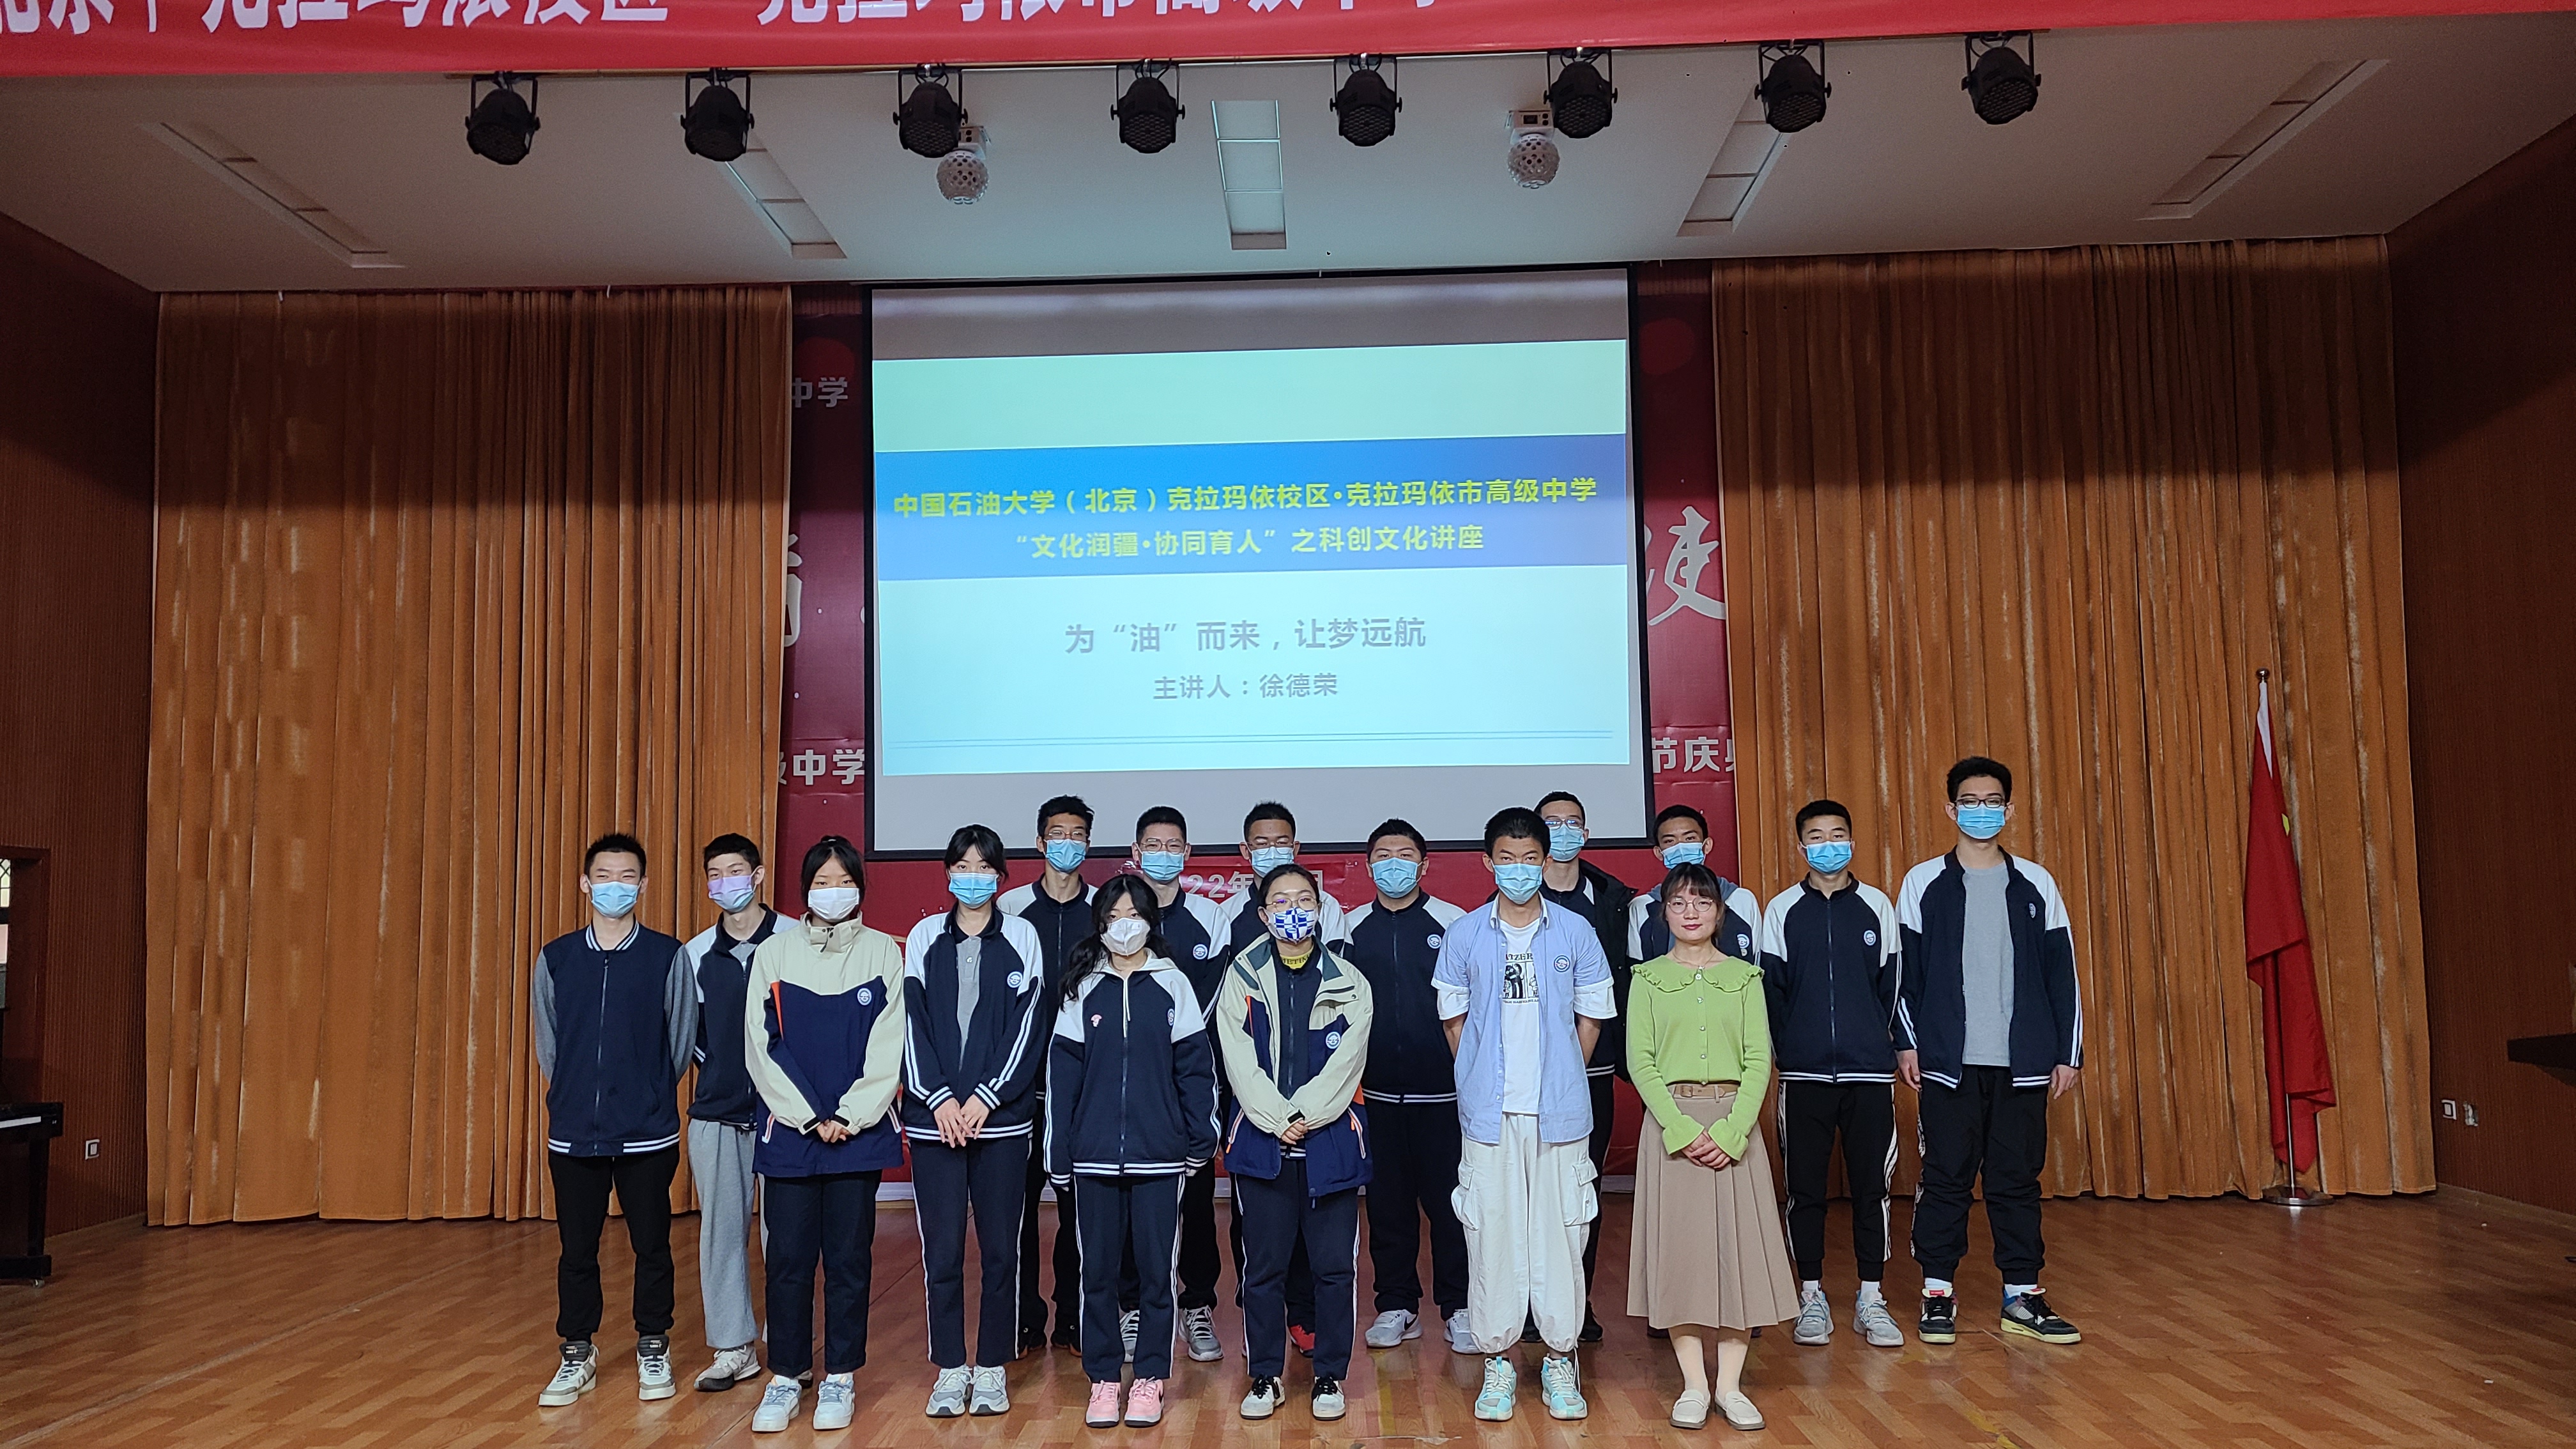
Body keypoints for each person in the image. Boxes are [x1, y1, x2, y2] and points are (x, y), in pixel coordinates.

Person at [1897, 756, 2084, 1347]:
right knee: (1946, 1178)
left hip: (2022, 1064)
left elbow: (2063, 974)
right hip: (1947, 1064)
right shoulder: (1923, 882)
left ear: (2009, 809)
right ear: (1951, 809)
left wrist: (2068, 1053)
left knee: (2016, 1180)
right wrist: (1907, 1042)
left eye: (1993, 801)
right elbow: (1905, 976)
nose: (1983, 811)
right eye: (1971, 802)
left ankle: (2022, 1295)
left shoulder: (2037, 883)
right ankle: (1937, 1293)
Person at [1434, 806, 1612, 1423]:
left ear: (1546, 860)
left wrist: (1560, 1076)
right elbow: (1455, 1023)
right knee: (1491, 1236)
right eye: (1507, 859)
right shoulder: (1464, 935)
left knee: (1563, 1234)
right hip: (1490, 1118)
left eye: (1530, 859)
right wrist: (1480, 1081)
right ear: (1489, 863)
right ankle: (1499, 1362)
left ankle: (1562, 1358)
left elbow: (1591, 1018)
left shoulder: (1575, 931)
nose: (1519, 870)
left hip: (1560, 1115)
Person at [742, 837, 908, 1434]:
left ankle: (840, 1374)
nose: (833, 892)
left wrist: (851, 1115)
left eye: (844, 882)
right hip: (791, 1136)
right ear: (804, 889)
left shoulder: (883, 952)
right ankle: (787, 1375)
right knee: (786, 1259)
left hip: (856, 1138)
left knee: (848, 1260)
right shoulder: (774, 953)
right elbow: (761, 1045)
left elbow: (889, 1044)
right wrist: (809, 1116)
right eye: (822, 882)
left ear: (860, 888)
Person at [1627, 862, 1800, 1432]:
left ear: (1720, 913)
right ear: (1664, 913)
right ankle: (1694, 1386)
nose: (1691, 913)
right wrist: (1680, 1131)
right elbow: (1640, 1062)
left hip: (1734, 1129)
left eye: (1702, 903)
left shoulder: (1745, 978)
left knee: (1737, 1258)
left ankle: (1730, 1386)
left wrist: (1732, 1133)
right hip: (1671, 1128)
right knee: (1682, 1258)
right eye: (1679, 903)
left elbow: (1759, 1060)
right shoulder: (1647, 978)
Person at [533, 832, 698, 1409]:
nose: (615, 887)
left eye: (627, 877)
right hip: (574, 1132)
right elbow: (550, 1045)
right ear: (585, 883)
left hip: (647, 1131)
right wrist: (576, 1093)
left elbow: (680, 1043)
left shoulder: (667, 956)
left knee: (652, 1244)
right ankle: (577, 1350)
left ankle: (654, 1343)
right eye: (604, 876)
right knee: (576, 1249)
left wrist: (647, 1091)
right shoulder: (556, 958)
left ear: (643, 885)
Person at [1048, 877, 1219, 1429]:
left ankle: (1149, 1377)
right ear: (1100, 924)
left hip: (1160, 1157)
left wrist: (1199, 1140)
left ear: (1150, 921)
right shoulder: (1083, 987)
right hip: (1092, 1157)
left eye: (1134, 915)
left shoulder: (1173, 984)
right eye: (1114, 916)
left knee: (1156, 1275)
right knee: (1096, 1274)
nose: (1125, 925)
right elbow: (1062, 1079)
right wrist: (1059, 1152)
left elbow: (1196, 1070)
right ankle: (1102, 1379)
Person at [1213, 863, 1376, 1422]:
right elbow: (1237, 1058)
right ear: (1263, 914)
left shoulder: (1350, 981)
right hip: (1263, 1146)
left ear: (1320, 908)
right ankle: (1265, 1376)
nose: (1293, 910)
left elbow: (1348, 1063)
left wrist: (1303, 1114)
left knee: (1334, 1270)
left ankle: (1330, 1375)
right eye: (1280, 901)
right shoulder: (1242, 975)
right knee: (1263, 1271)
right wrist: (1276, 1117)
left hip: (1331, 1144)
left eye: (1304, 899)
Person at [903, 825, 1048, 1418]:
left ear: (1000, 876)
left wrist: (988, 1096)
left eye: (984, 867)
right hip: (934, 1122)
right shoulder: (923, 937)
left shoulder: (1022, 936)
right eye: (962, 866)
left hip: (1002, 1124)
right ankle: (949, 1368)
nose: (972, 877)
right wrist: (938, 1098)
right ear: (947, 874)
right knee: (941, 1253)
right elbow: (910, 1023)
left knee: (1001, 1252)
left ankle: (990, 1366)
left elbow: (1029, 1025)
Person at [1758, 799, 1906, 1349]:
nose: (1828, 845)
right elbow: (1772, 993)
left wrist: (1881, 1044)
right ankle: (1811, 1296)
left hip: (1870, 1075)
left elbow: (1892, 987)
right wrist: (1791, 1050)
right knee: (1805, 1190)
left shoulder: (1876, 906)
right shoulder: (1781, 910)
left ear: (1852, 841)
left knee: (1873, 1189)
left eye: (1837, 834)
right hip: (1804, 1076)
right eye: (1816, 837)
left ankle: (1871, 1297)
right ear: (1801, 846)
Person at [1338, 818, 1473, 1355]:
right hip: (1375, 1098)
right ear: (1369, 865)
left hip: (1445, 1096)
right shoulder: (1350, 929)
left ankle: (1460, 1305)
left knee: (1452, 1206)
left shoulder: (1455, 924)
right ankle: (1397, 1305)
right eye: (1383, 855)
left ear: (1424, 864)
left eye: (1405, 854)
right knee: (1387, 1208)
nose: (1394, 864)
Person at [1206, 800, 1330, 1350]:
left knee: (1309, 1213)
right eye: (1261, 843)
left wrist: (1307, 1104)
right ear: (1245, 851)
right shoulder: (1226, 920)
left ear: (1296, 847)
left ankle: (1303, 1315)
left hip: (1314, 1099)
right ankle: (1258, 1320)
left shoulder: (1329, 916)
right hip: (1250, 1095)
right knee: (1254, 1218)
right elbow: (1222, 1016)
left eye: (1281, 842)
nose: (1271, 851)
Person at [1132, 805, 1233, 1365]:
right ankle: (1134, 1307)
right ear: (1136, 851)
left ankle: (1196, 1305)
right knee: (1131, 1199)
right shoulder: (1120, 911)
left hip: (1192, 1082)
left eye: (1174, 845)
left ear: (1188, 853)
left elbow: (1209, 1000)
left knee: (1196, 1200)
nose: (1164, 854)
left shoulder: (1210, 918)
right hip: (1132, 1084)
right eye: (1154, 845)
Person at [1533, 790, 1634, 1344]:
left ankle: (1577, 1301)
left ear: (1587, 833)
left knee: (1580, 1191)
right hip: (1529, 1075)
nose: (1564, 831)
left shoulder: (1612, 900)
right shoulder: (1514, 899)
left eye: (1574, 822)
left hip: (1592, 1074)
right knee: (1530, 1193)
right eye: (1553, 823)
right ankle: (1530, 1306)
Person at [683, 832, 781, 1394]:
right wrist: (727, 1070)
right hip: (717, 1114)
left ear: (758, 875)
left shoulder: (794, 939)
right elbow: (691, 1038)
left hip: (785, 1116)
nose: (727, 883)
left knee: (784, 1236)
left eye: (736, 871)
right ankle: (732, 1347)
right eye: (715, 874)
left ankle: (787, 1344)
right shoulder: (694, 954)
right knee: (721, 1235)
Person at [1000, 795, 1097, 1353]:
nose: (1067, 843)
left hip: (1081, 1095)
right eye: (1057, 833)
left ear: (1088, 843)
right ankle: (1022, 1318)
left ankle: (1074, 1317)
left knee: (1079, 1215)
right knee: (1014, 1215)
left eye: (1077, 834)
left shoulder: (1105, 910)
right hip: (1018, 1092)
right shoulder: (1011, 910)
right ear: (1040, 842)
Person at [1627, 804, 1763, 969]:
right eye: (1670, 841)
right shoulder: (1641, 908)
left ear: (1707, 846)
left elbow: (1757, 965)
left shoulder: (1742, 900)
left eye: (1690, 839)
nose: (1680, 847)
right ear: (1659, 853)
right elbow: (1637, 971)